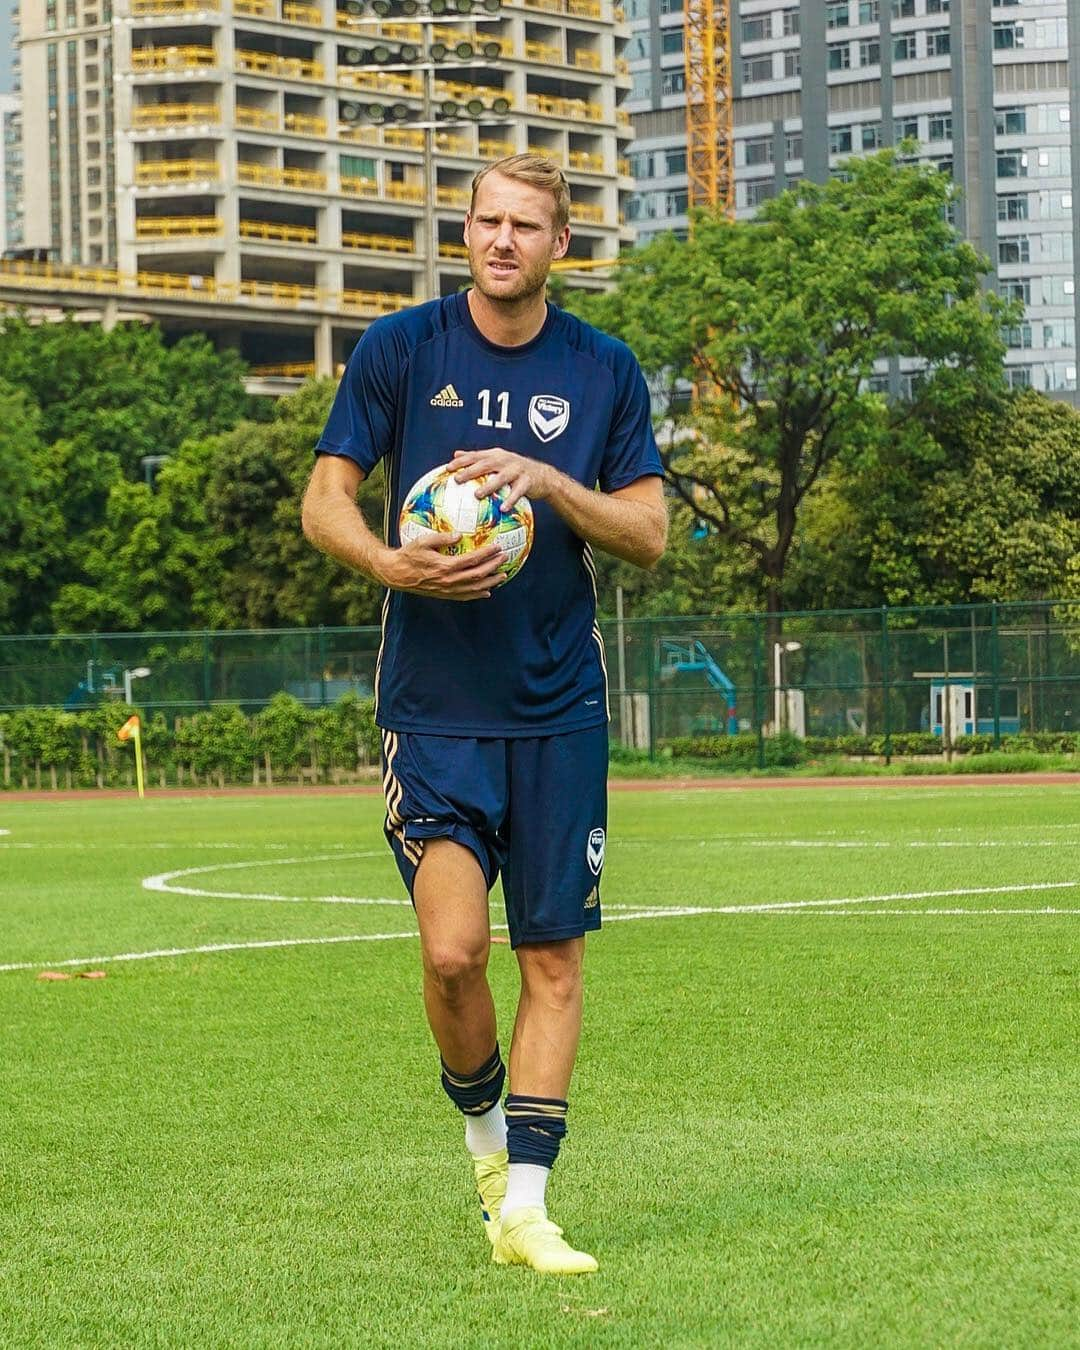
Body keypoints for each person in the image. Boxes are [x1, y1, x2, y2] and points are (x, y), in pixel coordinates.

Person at [302, 154, 667, 1275]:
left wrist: (552, 483)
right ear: (465, 233)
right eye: (485, 221)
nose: (502, 241)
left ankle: (526, 1209)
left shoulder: (604, 371)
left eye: (526, 226)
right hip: (436, 706)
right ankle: (483, 1145)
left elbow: (650, 533)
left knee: (552, 961)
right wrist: (391, 565)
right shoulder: (401, 351)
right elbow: (325, 501)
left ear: (562, 245)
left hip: (559, 707)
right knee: (456, 955)